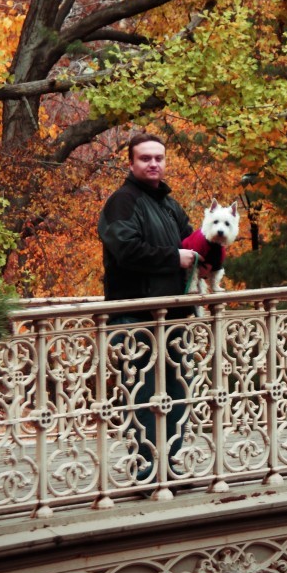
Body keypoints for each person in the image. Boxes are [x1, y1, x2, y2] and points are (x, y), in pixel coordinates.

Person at [97, 132, 203, 487]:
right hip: (135, 316)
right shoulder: (122, 202)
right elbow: (126, 250)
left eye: (159, 157)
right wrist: (175, 258)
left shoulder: (170, 205)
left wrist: (211, 249)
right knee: (142, 395)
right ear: (131, 163)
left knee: (177, 393)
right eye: (145, 158)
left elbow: (192, 243)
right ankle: (146, 469)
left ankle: (170, 464)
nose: (153, 163)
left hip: (173, 317)